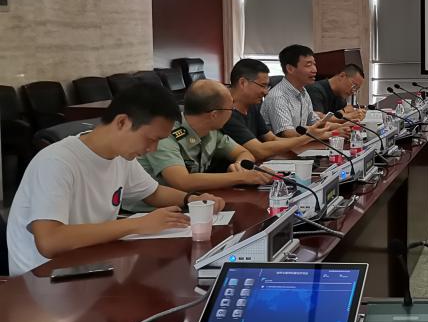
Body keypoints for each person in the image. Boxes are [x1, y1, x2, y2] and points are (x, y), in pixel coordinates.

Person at [5, 84, 225, 275]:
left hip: (90, 262)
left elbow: (154, 192)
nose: (153, 149)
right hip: (44, 277)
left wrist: (192, 199)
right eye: (151, 139)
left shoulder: (121, 156)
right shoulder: (57, 162)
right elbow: (50, 241)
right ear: (122, 122)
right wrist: (137, 225)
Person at [132, 79, 273, 203]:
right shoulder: (165, 134)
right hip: (148, 212)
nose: (233, 112)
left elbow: (244, 153)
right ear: (214, 114)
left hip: (192, 203)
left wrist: (239, 165)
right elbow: (182, 181)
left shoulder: (211, 131)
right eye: (231, 108)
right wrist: (240, 177)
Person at [224, 58, 335, 161]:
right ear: (243, 83)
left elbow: (272, 139)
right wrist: (307, 137)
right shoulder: (225, 112)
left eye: (267, 86)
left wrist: (311, 136)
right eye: (262, 85)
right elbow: (259, 150)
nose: (266, 92)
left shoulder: (252, 105)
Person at [260, 44, 351, 138]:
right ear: (290, 69)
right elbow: (287, 133)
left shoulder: (303, 92)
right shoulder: (278, 97)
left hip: (303, 145)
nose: (314, 70)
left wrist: (341, 126)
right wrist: (332, 133)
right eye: (308, 65)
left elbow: (315, 122)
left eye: (314, 64)